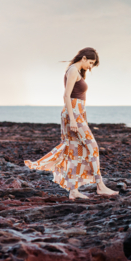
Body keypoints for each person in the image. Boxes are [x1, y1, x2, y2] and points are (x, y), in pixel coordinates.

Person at [24, 47, 119, 199]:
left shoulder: (76, 71)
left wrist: (79, 115)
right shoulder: (73, 70)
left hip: (78, 112)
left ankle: (73, 191)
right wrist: (73, 118)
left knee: (75, 151)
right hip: (73, 112)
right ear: (83, 58)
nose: (90, 66)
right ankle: (100, 186)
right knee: (93, 146)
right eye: (91, 62)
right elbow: (66, 96)